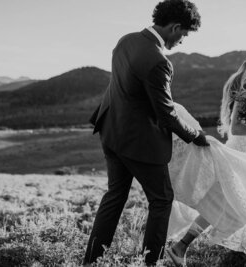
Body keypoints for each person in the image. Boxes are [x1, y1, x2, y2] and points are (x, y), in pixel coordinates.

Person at [84, 0, 205, 265]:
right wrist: (196, 135)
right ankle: (151, 263)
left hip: (111, 132)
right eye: (184, 34)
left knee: (114, 196)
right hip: (138, 143)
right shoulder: (158, 61)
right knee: (162, 200)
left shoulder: (125, 40)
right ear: (175, 27)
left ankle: (91, 261)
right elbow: (166, 114)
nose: (183, 40)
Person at [166, 58, 246, 266]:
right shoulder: (243, 96)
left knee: (230, 205)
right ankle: (181, 246)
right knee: (239, 205)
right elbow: (236, 128)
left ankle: (181, 247)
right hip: (239, 157)